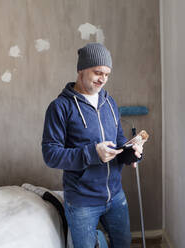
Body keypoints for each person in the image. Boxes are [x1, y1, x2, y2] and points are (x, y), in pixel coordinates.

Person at [42, 43, 143, 248]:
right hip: (82, 201)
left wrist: (130, 153)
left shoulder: (110, 103)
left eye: (106, 74)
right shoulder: (60, 107)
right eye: (97, 72)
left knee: (123, 244)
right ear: (81, 70)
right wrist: (92, 153)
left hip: (115, 195)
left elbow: (119, 141)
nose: (102, 79)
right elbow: (50, 154)